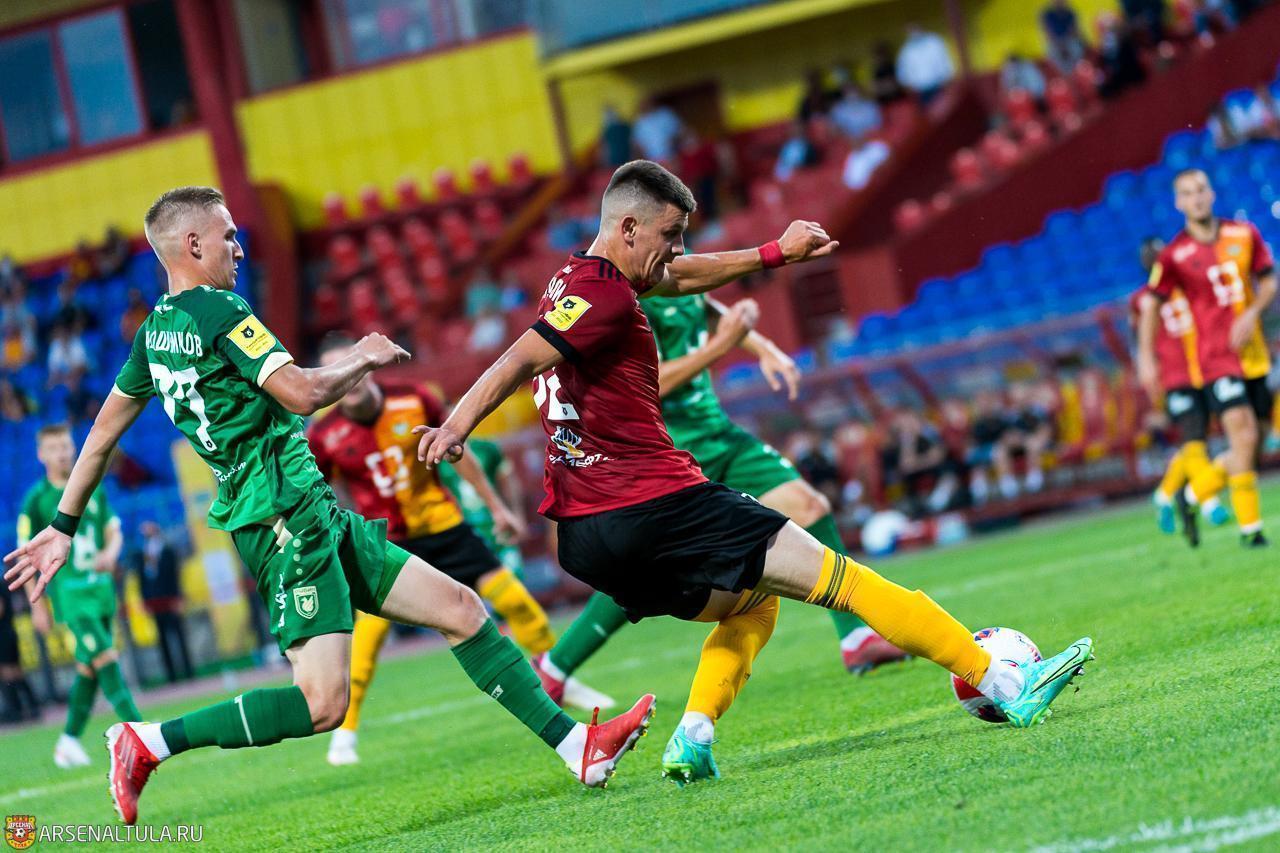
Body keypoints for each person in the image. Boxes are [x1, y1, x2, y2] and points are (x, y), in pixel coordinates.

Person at [417, 160, 1094, 785]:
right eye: (669, 234)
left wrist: (774, 253)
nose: (677, 248)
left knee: (754, 603)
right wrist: (456, 426)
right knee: (844, 578)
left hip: (584, 535)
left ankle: (693, 734)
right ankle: (1003, 682)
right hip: (657, 503)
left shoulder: (579, 281)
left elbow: (680, 277)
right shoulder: (609, 298)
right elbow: (517, 360)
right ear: (627, 228)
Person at [4, 187, 654, 826]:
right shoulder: (219, 311)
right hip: (284, 520)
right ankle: (148, 741)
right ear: (193, 244)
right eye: (228, 236)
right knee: (323, 703)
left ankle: (579, 747)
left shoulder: (154, 335)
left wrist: (62, 525)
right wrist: (361, 358)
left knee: (460, 608)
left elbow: (101, 435)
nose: (238, 247)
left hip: (306, 511)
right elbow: (302, 393)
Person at [529, 288, 912, 755]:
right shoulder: (628, 297)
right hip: (669, 445)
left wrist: (762, 346)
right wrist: (723, 344)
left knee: (810, 506)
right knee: (646, 570)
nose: (678, 252)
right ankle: (555, 666)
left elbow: (710, 309)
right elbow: (649, 384)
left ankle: (855, 638)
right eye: (671, 245)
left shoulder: (679, 272)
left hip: (718, 433)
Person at [308, 332, 610, 765]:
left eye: (354, 362)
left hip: (445, 527)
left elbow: (458, 448)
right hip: (388, 541)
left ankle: (559, 674)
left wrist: (497, 507)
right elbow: (321, 493)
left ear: (368, 363)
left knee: (515, 601)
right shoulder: (325, 435)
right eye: (338, 368)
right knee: (368, 639)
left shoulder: (414, 397)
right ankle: (345, 732)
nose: (350, 377)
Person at [1139, 170, 1276, 548]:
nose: (1196, 198)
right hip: (1214, 359)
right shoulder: (1174, 256)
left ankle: (1193, 493)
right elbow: (1151, 305)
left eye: (1201, 190)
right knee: (1243, 433)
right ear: (1179, 203)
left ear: (1212, 194)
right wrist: (1146, 358)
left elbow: (1269, 280)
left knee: (1253, 444)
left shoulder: (1243, 234)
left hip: (1254, 354)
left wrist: (1253, 312)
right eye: (1187, 193)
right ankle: (1251, 531)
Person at [16, 423, 137, 766]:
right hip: (71, 597)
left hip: (101, 591)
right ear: (41, 455)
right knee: (105, 658)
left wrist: (111, 554)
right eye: (54, 448)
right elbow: (26, 553)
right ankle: (141, 732)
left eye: (66, 446)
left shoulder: (91, 485)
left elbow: (114, 530)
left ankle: (68, 740)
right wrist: (37, 605)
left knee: (89, 668)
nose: (62, 454)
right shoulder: (36, 499)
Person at [133, 521, 193, 683]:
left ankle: (188, 671)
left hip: (170, 600)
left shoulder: (167, 551)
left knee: (178, 636)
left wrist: (178, 597)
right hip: (155, 602)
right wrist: (145, 601)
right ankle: (171, 675)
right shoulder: (143, 555)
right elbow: (142, 580)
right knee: (163, 640)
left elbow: (175, 576)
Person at [0, 583, 41, 723]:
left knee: (11, 673)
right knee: (12, 673)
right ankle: (26, 708)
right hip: (7, 632)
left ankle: (18, 710)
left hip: (4, 634)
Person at [895, 25, 955, 105]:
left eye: (915, 27)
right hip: (921, 92)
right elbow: (903, 74)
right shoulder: (906, 50)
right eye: (910, 29)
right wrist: (911, 87)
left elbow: (945, 61)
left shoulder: (934, 41)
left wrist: (948, 80)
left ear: (921, 27)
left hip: (941, 86)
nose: (913, 31)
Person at [632, 97, 683, 162]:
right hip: (653, 160)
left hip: (672, 156)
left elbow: (679, 131)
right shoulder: (639, 122)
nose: (644, 106)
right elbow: (637, 144)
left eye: (646, 103)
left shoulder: (665, 114)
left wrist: (673, 144)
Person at [1041, 0, 1085, 73]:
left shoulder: (1070, 14)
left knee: (1076, 50)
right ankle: (1059, 74)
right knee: (1053, 54)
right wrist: (1059, 45)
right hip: (1054, 42)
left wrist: (1064, 44)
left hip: (1068, 41)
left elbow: (1073, 30)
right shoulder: (1048, 15)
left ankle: (1075, 73)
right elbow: (1048, 32)